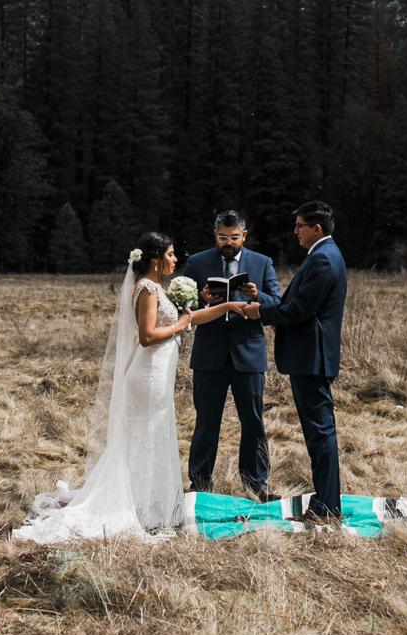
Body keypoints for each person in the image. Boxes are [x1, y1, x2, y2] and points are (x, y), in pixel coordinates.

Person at [15, 232, 243, 543]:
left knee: (156, 433)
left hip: (158, 375)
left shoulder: (159, 289)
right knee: (146, 435)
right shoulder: (147, 288)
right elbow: (148, 335)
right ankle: (139, 507)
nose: (176, 260)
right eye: (171, 255)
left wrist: (228, 306)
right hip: (148, 375)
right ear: (154, 259)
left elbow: (190, 319)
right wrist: (178, 325)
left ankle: (152, 504)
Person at [182, 210, 281, 498]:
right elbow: (182, 304)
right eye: (223, 237)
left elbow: (276, 302)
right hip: (209, 354)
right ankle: (200, 485)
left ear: (244, 236)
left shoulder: (263, 263)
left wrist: (256, 296)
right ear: (215, 235)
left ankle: (257, 485)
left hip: (248, 353)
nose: (228, 242)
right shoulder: (197, 262)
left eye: (234, 237)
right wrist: (200, 298)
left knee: (253, 422)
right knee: (205, 422)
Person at [259, 203, 347, 525]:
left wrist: (260, 313)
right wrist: (264, 300)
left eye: (300, 226)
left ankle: (327, 508)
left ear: (317, 229)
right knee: (318, 434)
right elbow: (294, 304)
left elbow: (300, 311)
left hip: (312, 359)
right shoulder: (325, 255)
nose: (295, 231)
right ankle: (325, 503)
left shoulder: (323, 258)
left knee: (320, 434)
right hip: (311, 357)